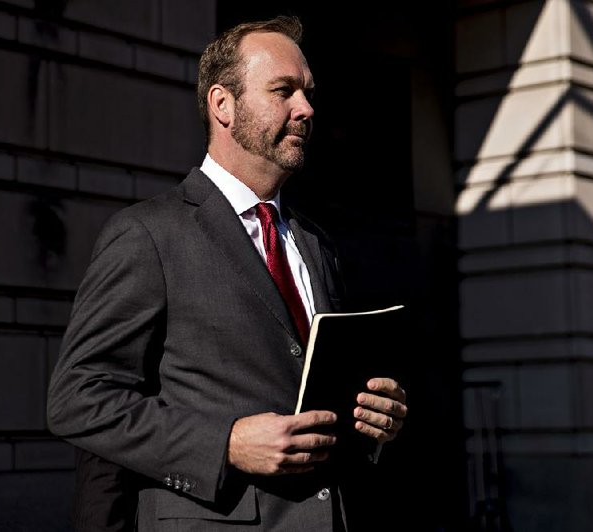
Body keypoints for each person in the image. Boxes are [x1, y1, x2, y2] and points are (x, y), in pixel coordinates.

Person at [47, 14, 408, 532]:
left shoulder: (315, 244)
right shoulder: (148, 235)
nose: (305, 108)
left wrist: (374, 417)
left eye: (307, 92)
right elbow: (78, 399)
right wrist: (228, 442)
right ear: (223, 104)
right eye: (283, 90)